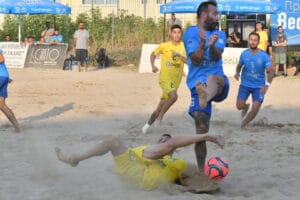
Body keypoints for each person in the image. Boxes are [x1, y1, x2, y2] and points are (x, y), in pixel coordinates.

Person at [55, 133, 224, 190]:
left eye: (167, 139)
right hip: (131, 162)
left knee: (112, 142)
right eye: (162, 138)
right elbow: (170, 145)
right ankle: (74, 158)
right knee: (111, 142)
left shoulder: (175, 161)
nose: (164, 140)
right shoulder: (150, 150)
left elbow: (195, 176)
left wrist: (207, 137)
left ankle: (74, 158)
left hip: (139, 173)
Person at [182, 0, 230, 171]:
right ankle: (202, 172)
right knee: (201, 130)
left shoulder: (220, 34)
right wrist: (202, 44)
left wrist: (211, 46)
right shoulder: (190, 33)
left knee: (212, 78)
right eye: (214, 13)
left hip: (218, 83)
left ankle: (206, 96)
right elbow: (195, 59)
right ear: (203, 15)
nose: (218, 17)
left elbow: (217, 56)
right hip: (197, 86)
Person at [141, 24, 186, 134]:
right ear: (170, 33)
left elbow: (188, 61)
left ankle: (146, 127)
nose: (176, 34)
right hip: (165, 78)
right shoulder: (164, 46)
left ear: (181, 34)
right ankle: (160, 118)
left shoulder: (184, 47)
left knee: (160, 106)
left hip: (176, 81)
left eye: (179, 32)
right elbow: (153, 54)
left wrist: (179, 56)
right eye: (174, 32)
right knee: (174, 96)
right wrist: (153, 65)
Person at [234, 32, 274, 129]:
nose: (252, 42)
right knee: (239, 106)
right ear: (248, 40)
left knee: (255, 108)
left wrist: (266, 85)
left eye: (255, 40)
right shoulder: (244, 54)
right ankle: (245, 106)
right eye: (251, 39)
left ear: (258, 42)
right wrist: (237, 73)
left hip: (259, 87)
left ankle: (243, 125)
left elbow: (271, 72)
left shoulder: (264, 56)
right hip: (245, 84)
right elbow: (239, 66)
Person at [0, 48, 20, 132]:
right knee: (2, 105)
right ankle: (17, 127)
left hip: (1, 77)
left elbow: (1, 59)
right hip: (3, 76)